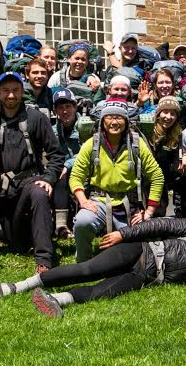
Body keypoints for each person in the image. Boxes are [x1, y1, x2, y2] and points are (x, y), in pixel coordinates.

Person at [0, 217, 186, 317]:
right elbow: (162, 225)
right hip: (138, 251)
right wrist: (124, 235)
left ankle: (55, 300)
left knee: (102, 292)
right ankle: (18, 287)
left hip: (144, 277)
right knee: (87, 270)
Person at [0, 72, 64, 272]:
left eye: (15, 90)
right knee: (18, 244)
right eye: (6, 90)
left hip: (28, 182)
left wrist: (49, 179)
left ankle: (44, 261)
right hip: (1, 192)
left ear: (22, 92)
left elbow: (56, 154)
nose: (10, 96)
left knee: (39, 193)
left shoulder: (36, 118)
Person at [69, 100, 165, 262]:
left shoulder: (136, 144)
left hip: (129, 204)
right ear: (102, 121)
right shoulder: (92, 144)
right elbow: (76, 176)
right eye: (110, 117)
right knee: (82, 222)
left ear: (126, 122)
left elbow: (157, 176)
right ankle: (83, 261)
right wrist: (83, 200)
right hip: (98, 201)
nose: (114, 122)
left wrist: (148, 212)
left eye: (119, 118)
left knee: (135, 248)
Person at [52, 89, 81, 238]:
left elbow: (87, 151)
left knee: (63, 174)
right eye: (60, 108)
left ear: (75, 107)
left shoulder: (85, 126)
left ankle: (62, 224)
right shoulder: (53, 131)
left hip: (84, 168)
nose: (65, 111)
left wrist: (67, 164)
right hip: (61, 170)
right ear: (55, 110)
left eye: (68, 107)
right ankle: (60, 225)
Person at [148, 96, 183, 215]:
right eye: (165, 112)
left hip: (167, 179)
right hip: (150, 180)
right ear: (158, 114)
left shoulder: (178, 134)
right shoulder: (149, 132)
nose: (168, 117)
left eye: (172, 113)